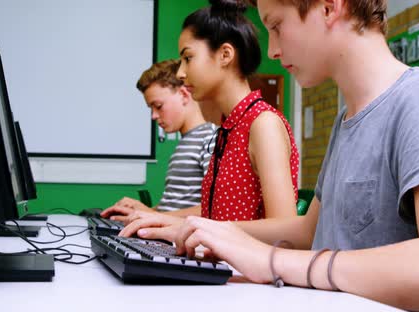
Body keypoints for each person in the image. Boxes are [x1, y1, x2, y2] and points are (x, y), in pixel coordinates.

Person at [170, 0, 419, 311]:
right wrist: (215, 231)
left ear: (328, 7)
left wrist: (271, 261)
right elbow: (308, 231)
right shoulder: (346, 121)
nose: (272, 49)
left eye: (277, 26)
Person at [116, 0, 300, 241]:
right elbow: (218, 219)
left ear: (225, 55)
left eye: (188, 58)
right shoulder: (228, 129)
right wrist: (162, 220)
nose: (181, 73)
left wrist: (181, 226)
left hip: (247, 276)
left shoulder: (262, 123)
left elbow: (285, 235)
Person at [101, 59, 217, 220]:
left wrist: (151, 215)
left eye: (159, 106)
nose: (154, 115)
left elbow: (216, 209)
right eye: (151, 108)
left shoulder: (211, 139)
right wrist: (140, 211)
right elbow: (175, 206)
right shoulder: (185, 144)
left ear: (183, 95)